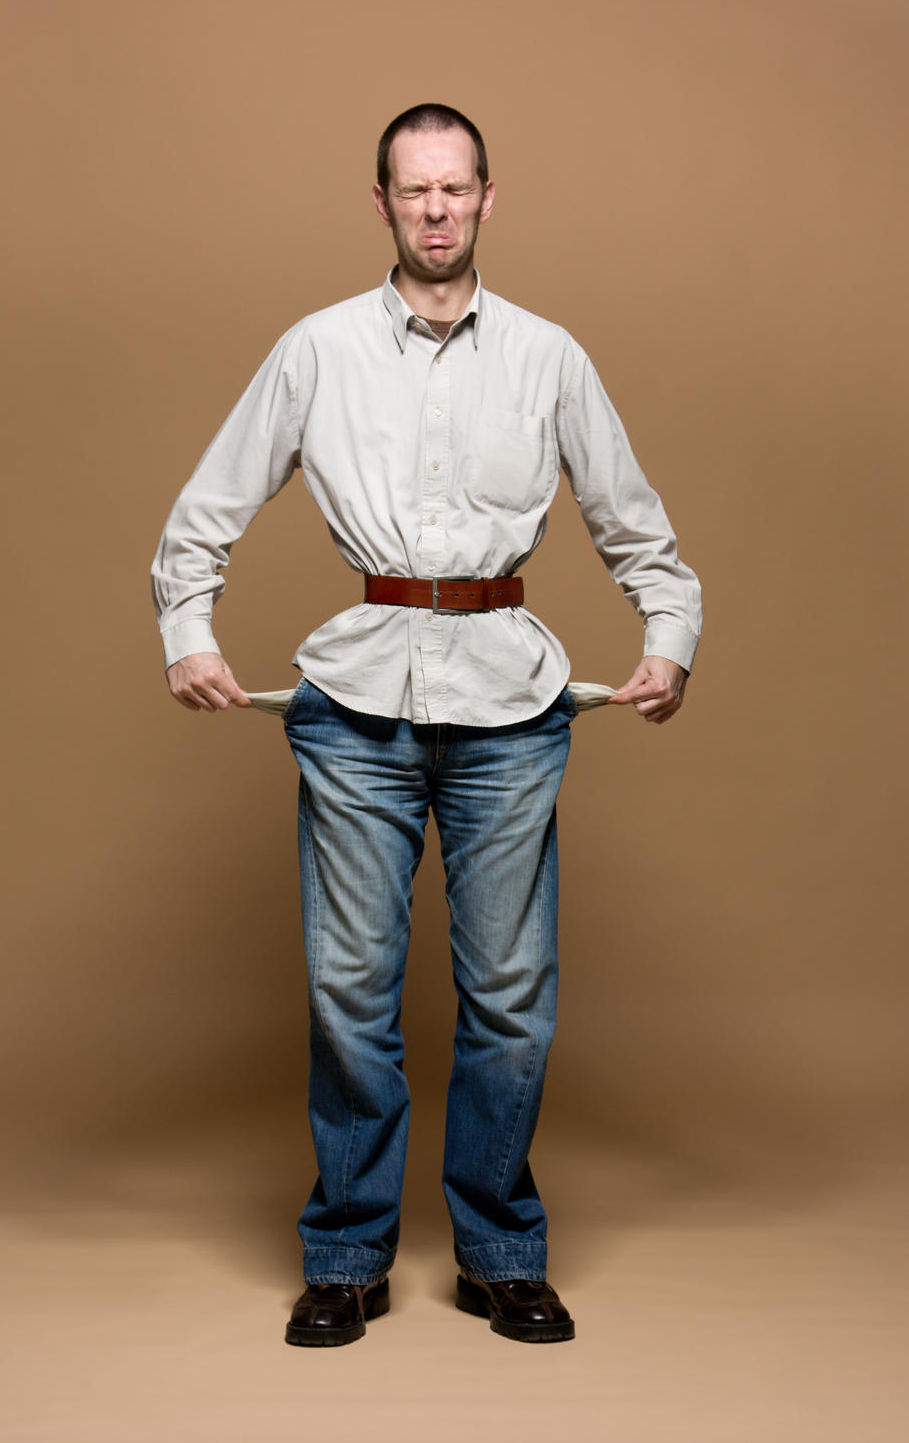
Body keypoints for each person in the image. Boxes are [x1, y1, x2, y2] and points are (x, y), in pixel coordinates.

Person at [152, 104, 701, 1347]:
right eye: (414, 190)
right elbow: (203, 511)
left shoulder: (550, 356)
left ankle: (501, 1251)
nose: (436, 209)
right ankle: (346, 1254)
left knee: (511, 996)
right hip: (354, 711)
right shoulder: (317, 349)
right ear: (384, 205)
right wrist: (189, 629)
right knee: (349, 989)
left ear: (487, 199)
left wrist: (669, 635)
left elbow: (636, 525)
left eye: (455, 188)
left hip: (511, 711)